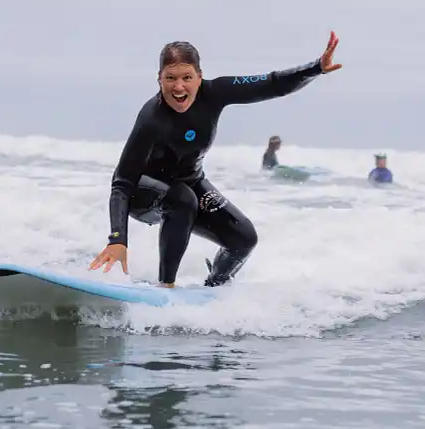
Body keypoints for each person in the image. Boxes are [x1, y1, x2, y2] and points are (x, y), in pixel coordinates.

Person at [89, 31, 343, 288]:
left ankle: (215, 286)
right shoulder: (151, 119)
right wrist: (118, 239)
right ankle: (166, 285)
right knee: (182, 199)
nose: (179, 87)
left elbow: (271, 83)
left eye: (187, 77)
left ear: (199, 78)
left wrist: (316, 68)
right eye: (170, 78)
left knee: (243, 239)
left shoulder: (216, 93)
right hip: (142, 194)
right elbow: (122, 183)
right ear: (159, 80)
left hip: (190, 182)